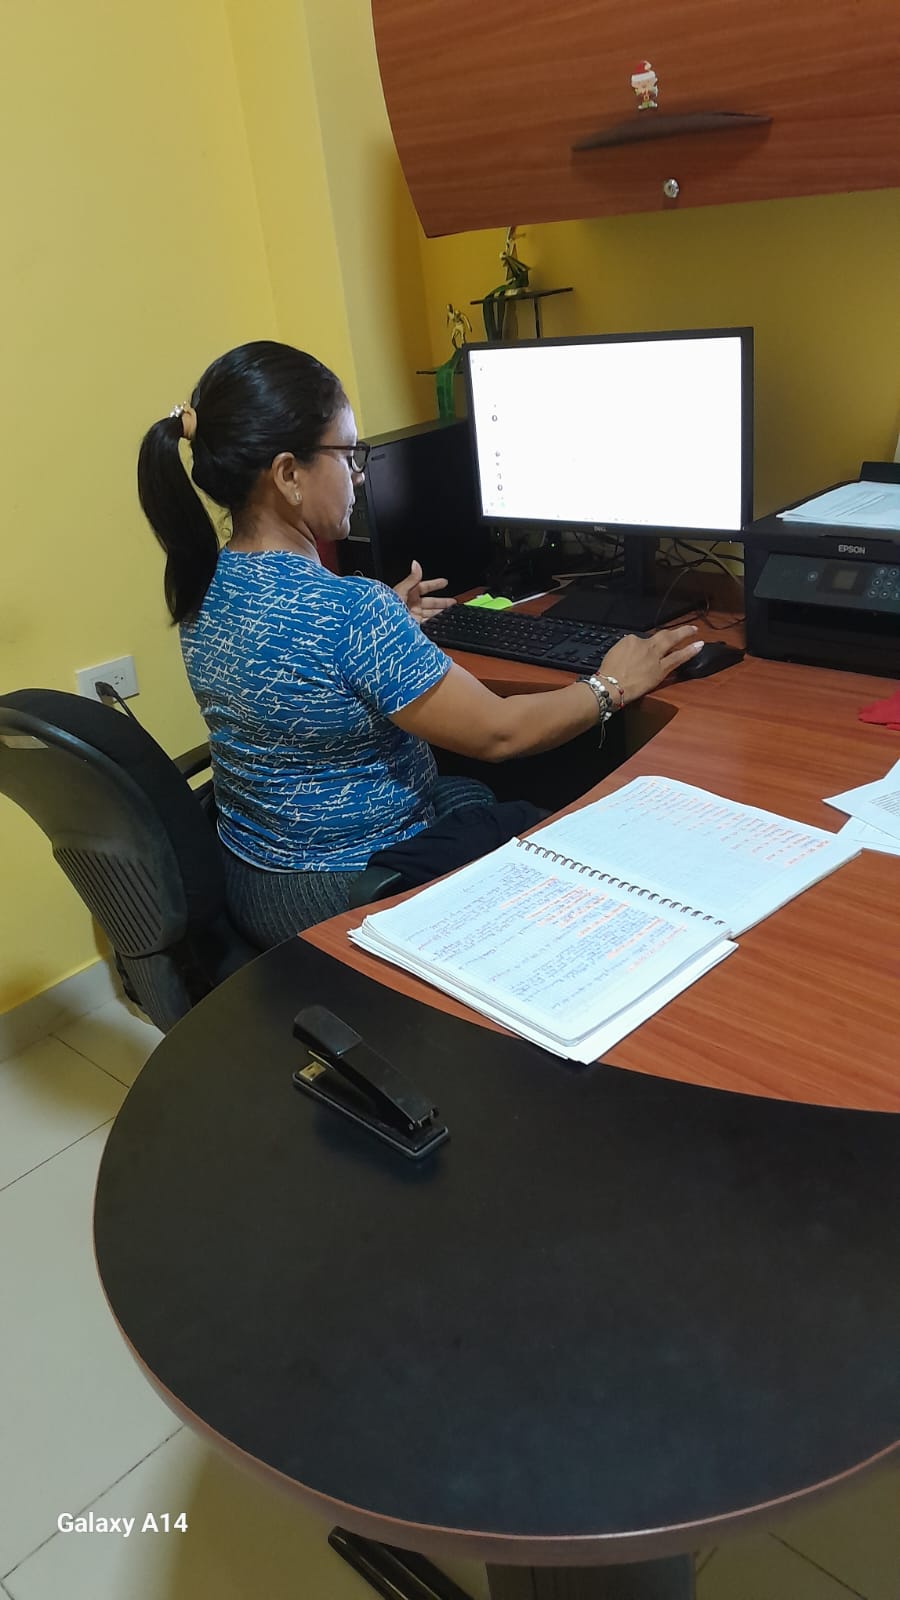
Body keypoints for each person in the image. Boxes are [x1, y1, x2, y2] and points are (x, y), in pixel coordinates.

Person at [137, 341, 702, 947]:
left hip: (255, 878)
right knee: (564, 834)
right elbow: (500, 734)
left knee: (482, 799)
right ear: (288, 475)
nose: (359, 474)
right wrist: (612, 684)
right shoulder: (351, 612)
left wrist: (385, 627)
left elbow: (294, 653)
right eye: (348, 454)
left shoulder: (205, 579)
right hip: (349, 891)